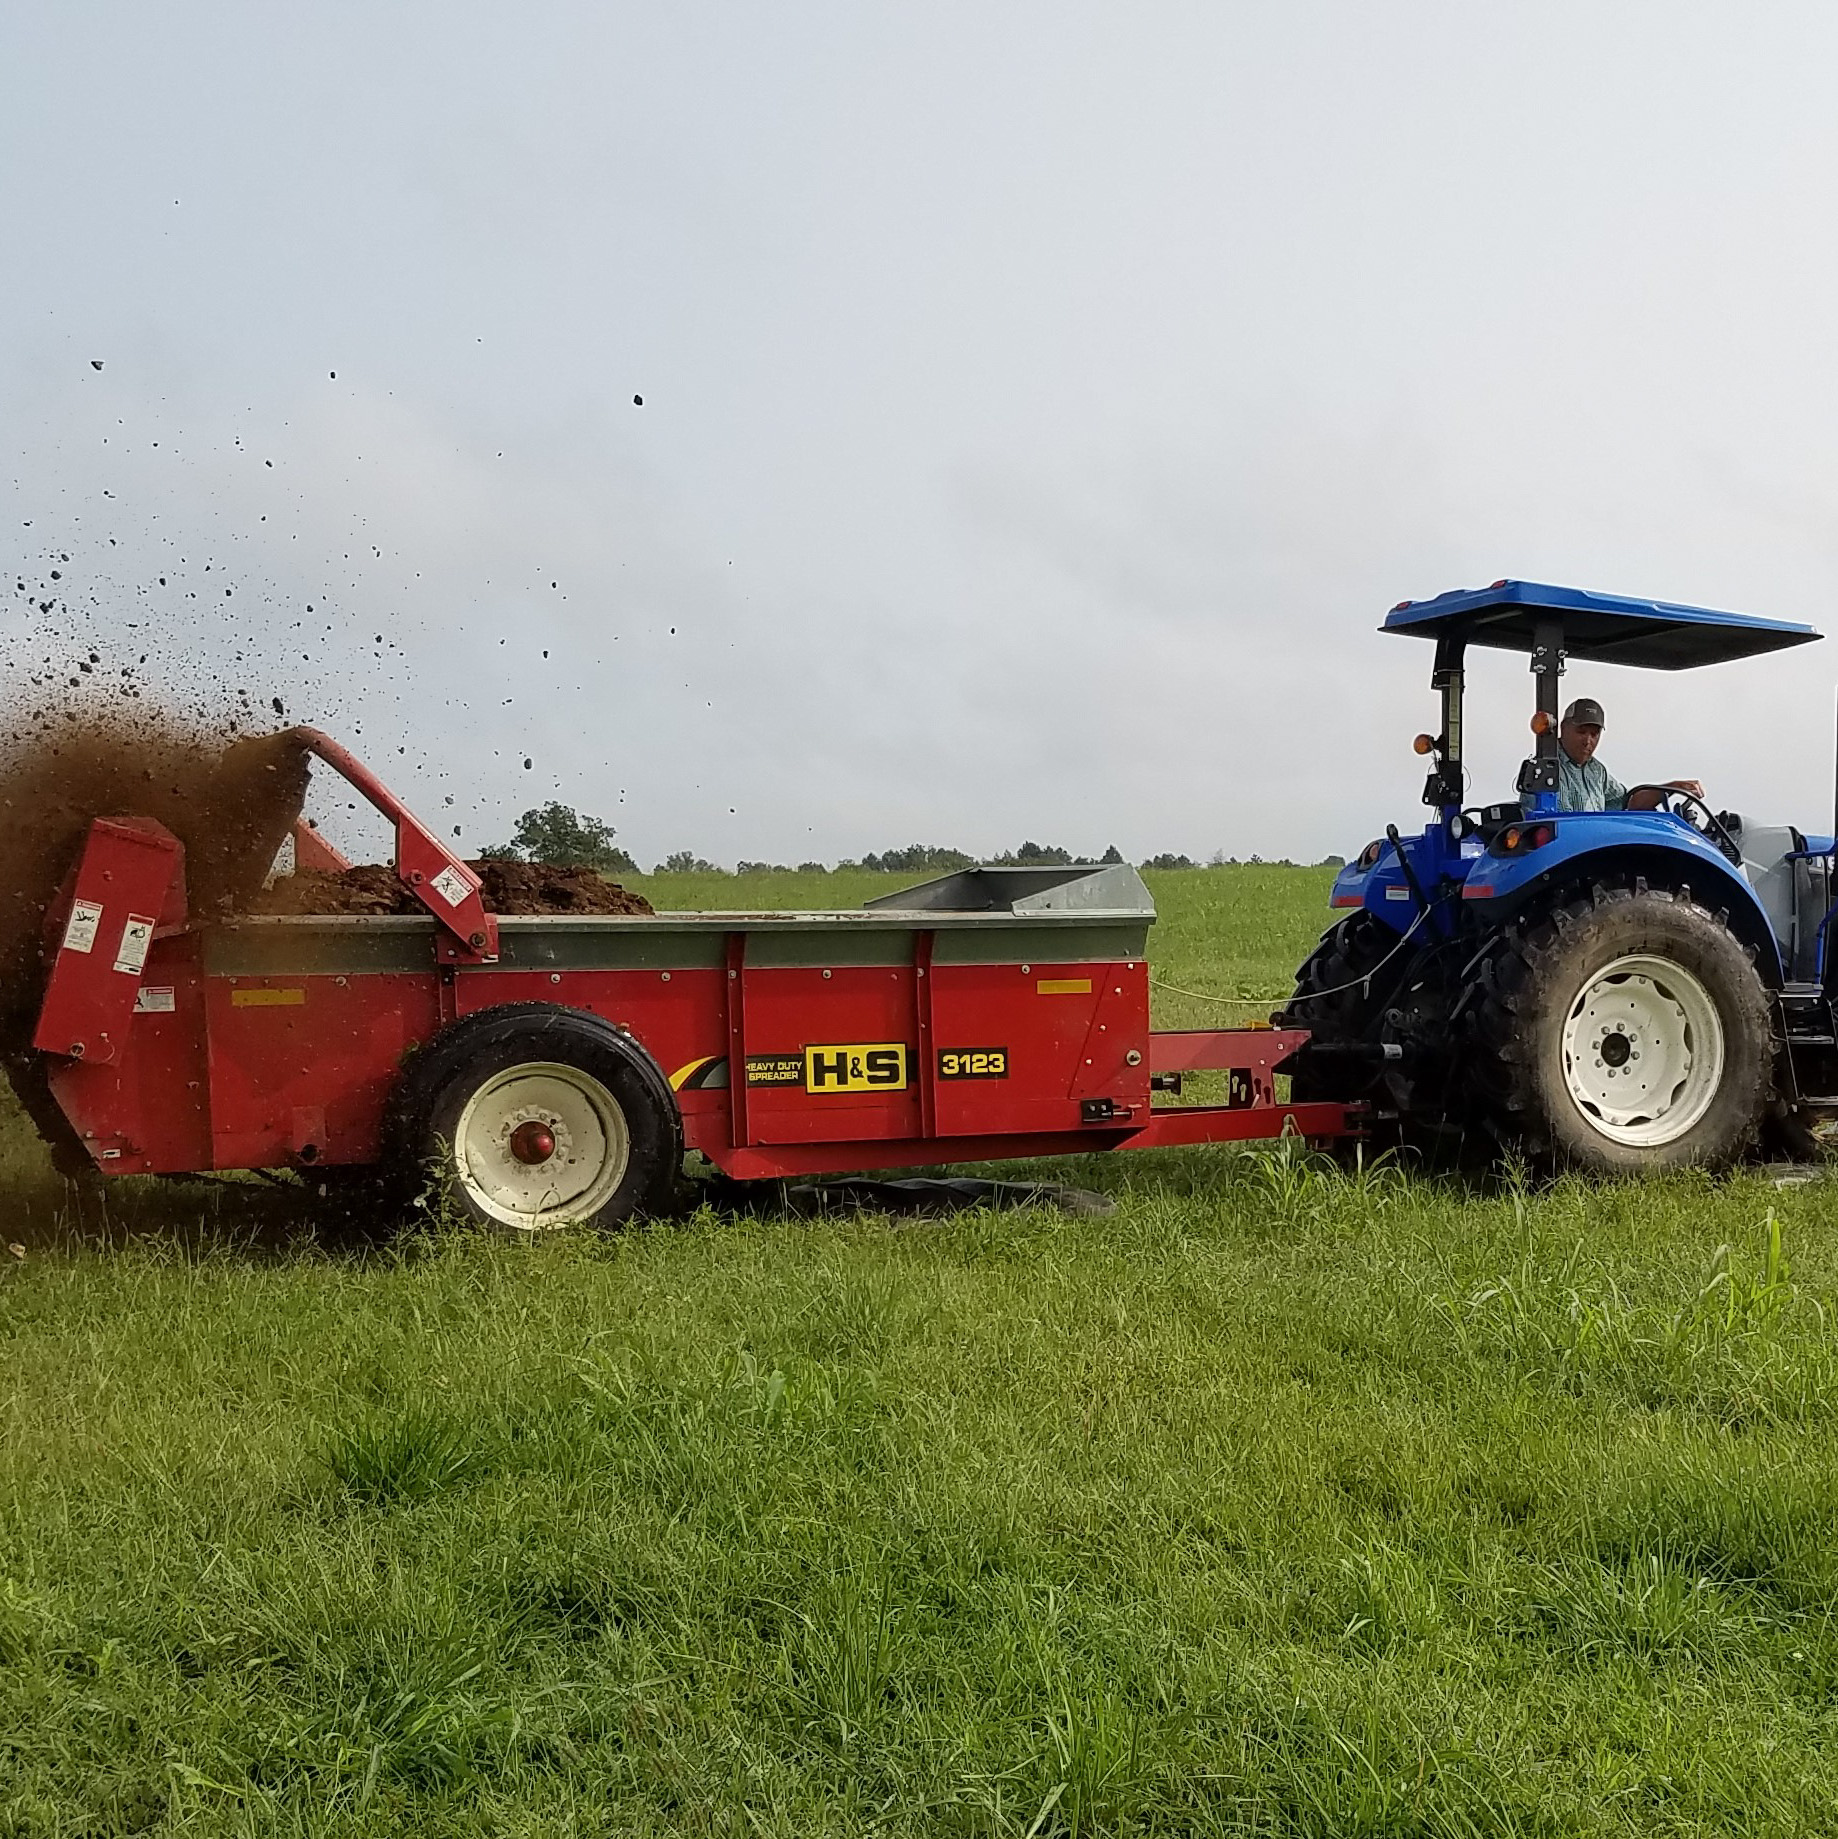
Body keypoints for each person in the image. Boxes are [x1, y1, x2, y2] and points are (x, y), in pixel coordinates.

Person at [1555, 697, 1704, 813]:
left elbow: (1630, 802)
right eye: (1581, 732)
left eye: (1594, 734)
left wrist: (1672, 787)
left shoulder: (1597, 771)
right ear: (1563, 728)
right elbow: (1564, 823)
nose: (1588, 741)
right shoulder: (1549, 770)